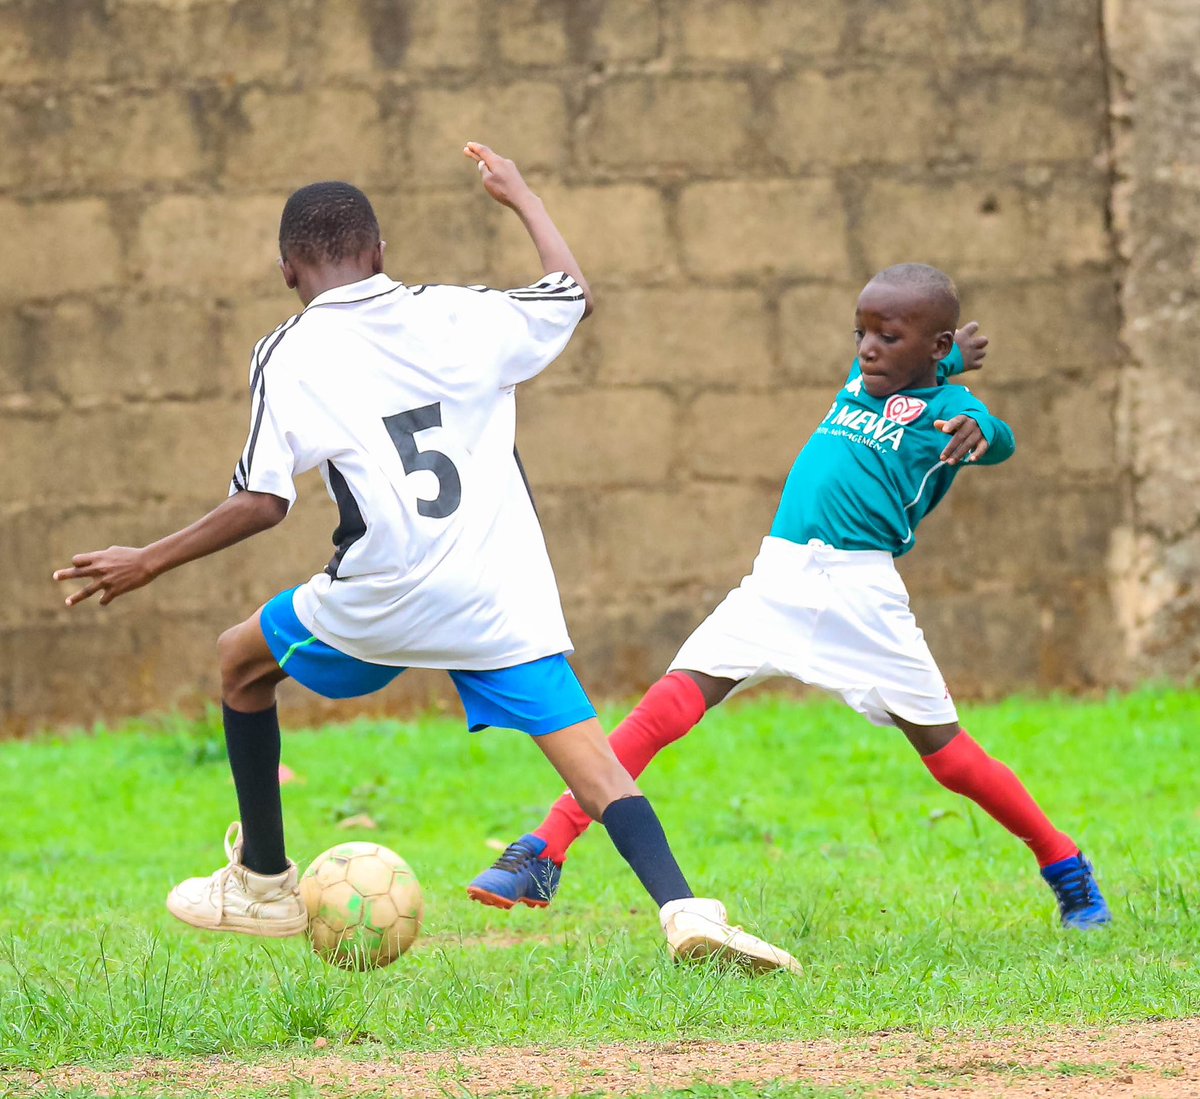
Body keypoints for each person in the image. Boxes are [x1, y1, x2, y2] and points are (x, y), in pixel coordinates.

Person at [52, 143, 800, 973]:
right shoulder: (464, 312)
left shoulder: (289, 351)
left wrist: (147, 561)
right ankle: (685, 910)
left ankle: (263, 880)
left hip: (380, 595)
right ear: (379, 252)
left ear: (286, 271)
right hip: (495, 597)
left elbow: (265, 500)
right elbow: (571, 295)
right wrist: (519, 197)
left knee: (239, 663)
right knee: (595, 769)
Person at [468, 263, 1112, 932]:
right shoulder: (866, 384)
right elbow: (912, 380)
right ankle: (545, 847)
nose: (867, 349)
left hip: (860, 594)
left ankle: (1063, 861)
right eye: (860, 333)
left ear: (936, 344)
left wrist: (985, 430)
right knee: (665, 708)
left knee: (950, 757)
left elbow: (993, 433)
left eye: (889, 337)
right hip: (777, 579)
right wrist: (945, 363)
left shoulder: (953, 413)